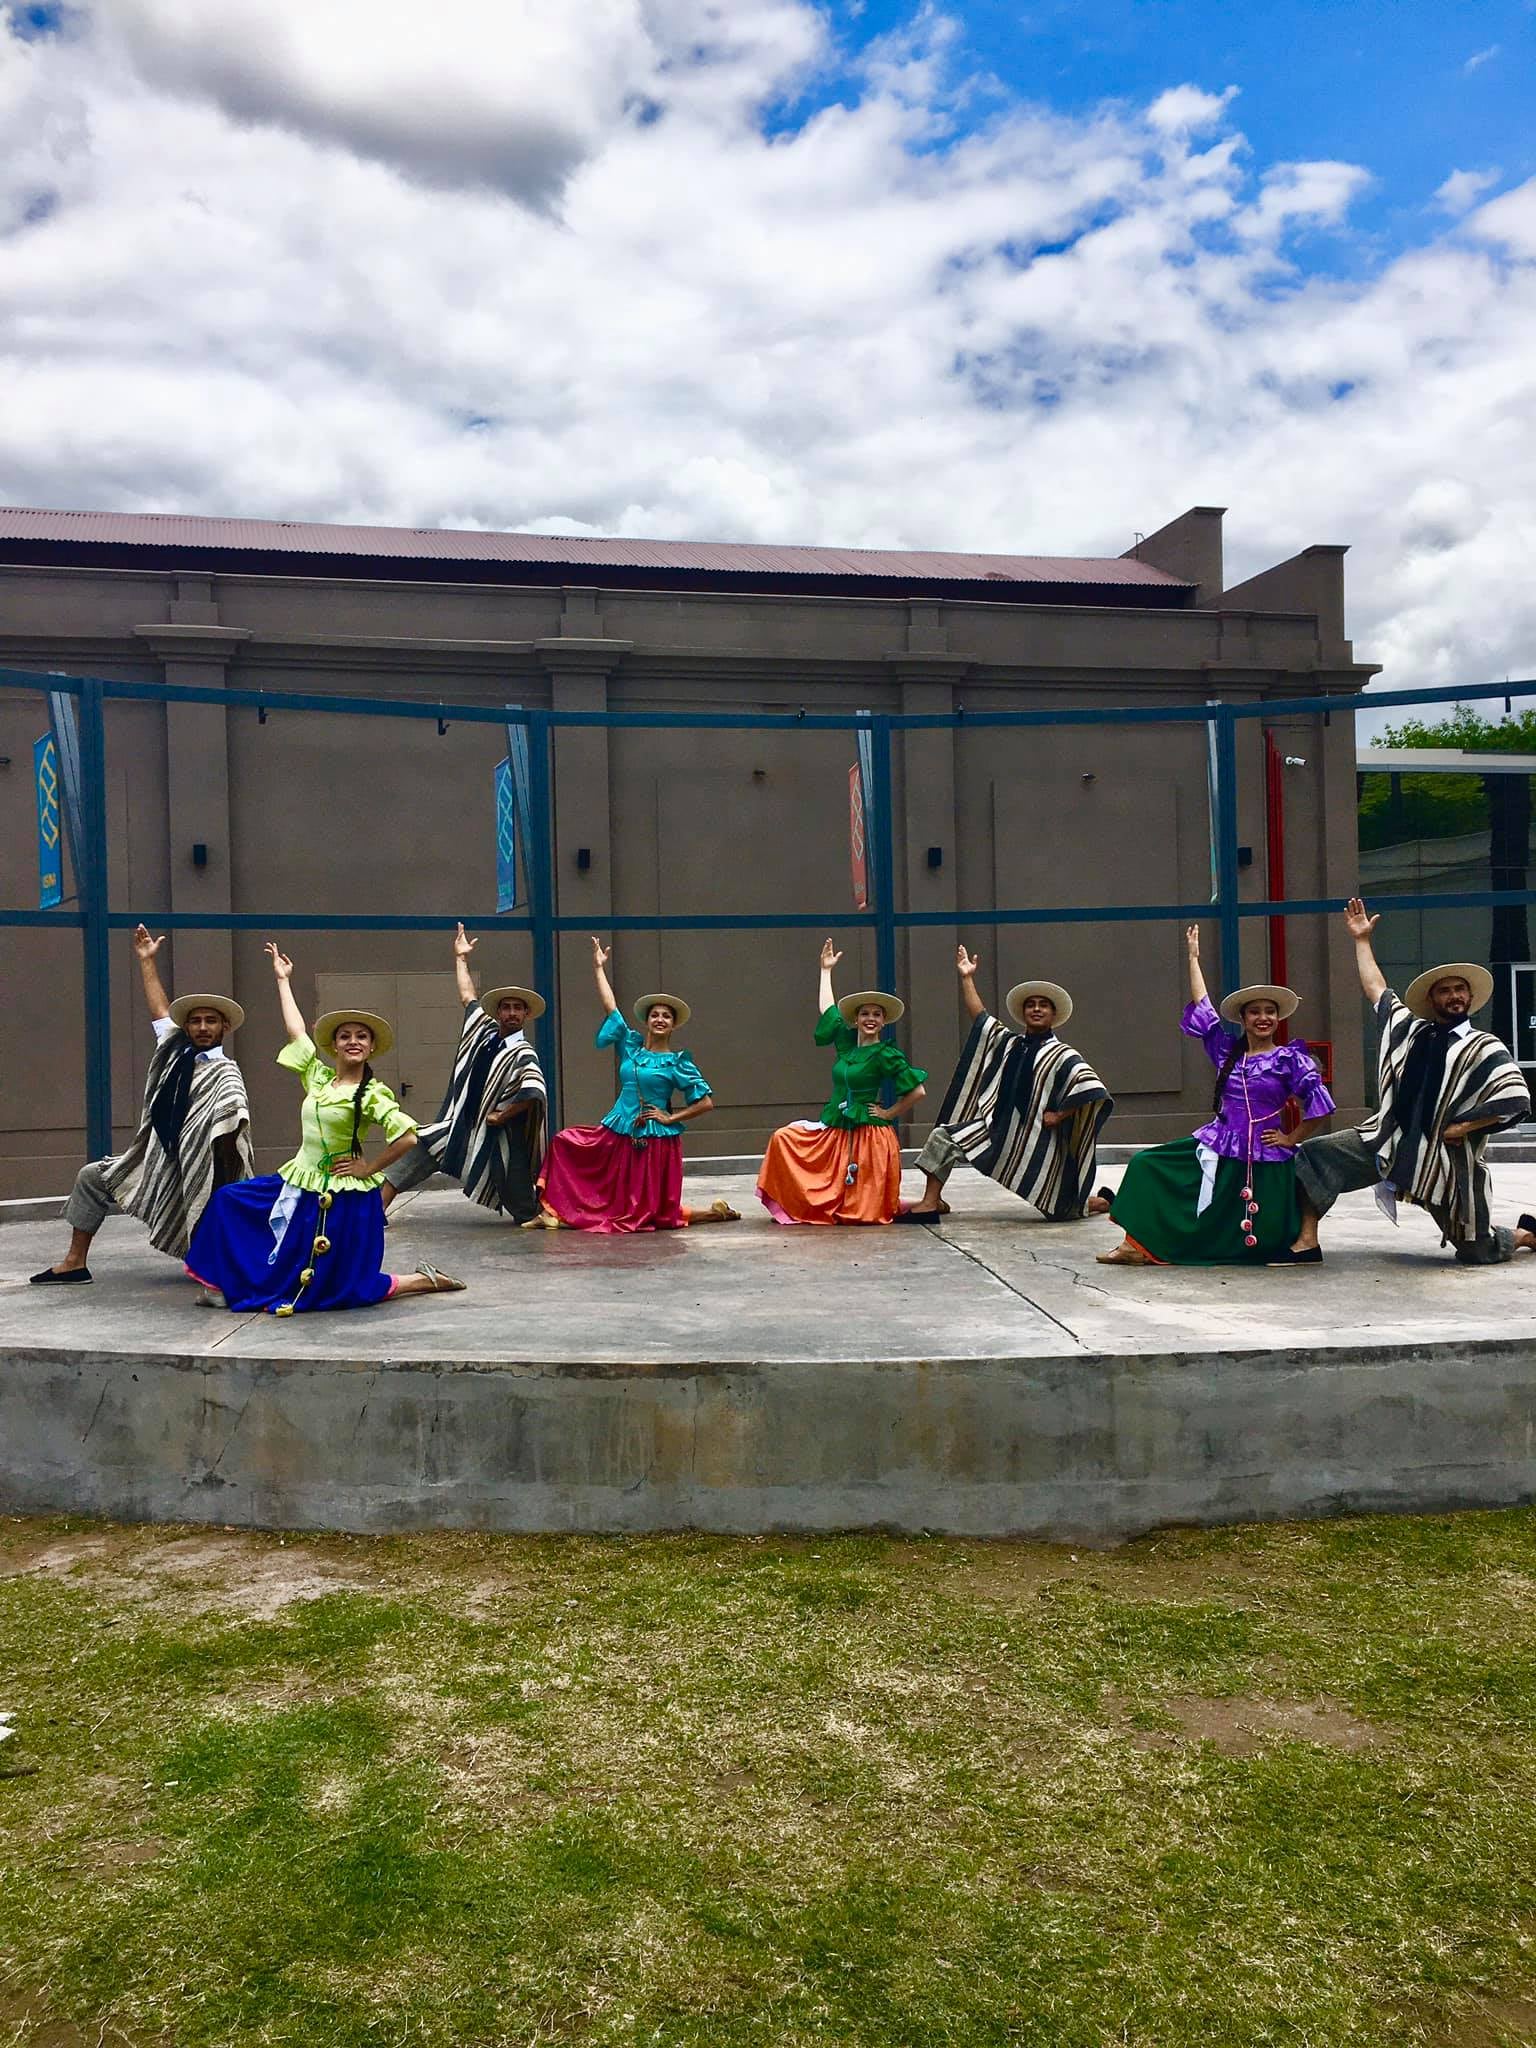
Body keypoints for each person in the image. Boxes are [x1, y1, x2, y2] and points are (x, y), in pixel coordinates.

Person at [184, 943, 465, 1311]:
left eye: (361, 1037)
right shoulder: (318, 1080)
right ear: (334, 1045)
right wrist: (283, 980)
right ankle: (222, 1283)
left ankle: (423, 1280)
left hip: (341, 1195)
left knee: (338, 1286)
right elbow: (296, 1032)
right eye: (345, 1036)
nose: (353, 1041)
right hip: (299, 1180)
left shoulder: (371, 1094)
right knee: (228, 1202)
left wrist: (368, 1168)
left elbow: (408, 1136)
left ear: (371, 1047)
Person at [1285, 900, 1532, 1265]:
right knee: (1316, 1155)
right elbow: (1377, 991)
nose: (1454, 996)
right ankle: (1307, 1241)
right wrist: (1361, 940)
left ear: (1469, 997)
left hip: (1444, 1158)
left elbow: (1516, 1100)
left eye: (1460, 989)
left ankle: (1524, 1234)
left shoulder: (1484, 1046)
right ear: (1432, 1000)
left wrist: (1465, 1126)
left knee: (1476, 1252)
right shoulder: (1410, 1031)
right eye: (1445, 991)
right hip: (1388, 1138)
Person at [1098, 923, 1335, 1266]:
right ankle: (1135, 1244)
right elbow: (1204, 1008)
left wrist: (1291, 1137)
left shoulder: (1289, 1059)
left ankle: (1164, 1248)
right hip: (1219, 1142)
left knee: (1253, 1230)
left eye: (1270, 1012)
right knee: (1145, 1164)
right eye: (1255, 1012)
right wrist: (1193, 958)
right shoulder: (1228, 1054)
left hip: (1264, 1154)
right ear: (1243, 1018)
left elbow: (1320, 1105)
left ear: (1278, 1018)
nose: (1263, 1018)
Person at [30, 924, 253, 1285]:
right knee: (91, 1177)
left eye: (210, 1021)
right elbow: (160, 1013)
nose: (201, 1027)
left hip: (204, 1172)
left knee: (213, 1215)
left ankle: (220, 1264)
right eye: (195, 1021)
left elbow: (233, 1125)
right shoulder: (174, 1052)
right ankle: (74, 1263)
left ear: (224, 1026)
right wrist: (147, 961)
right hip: (156, 1159)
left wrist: (207, 1167)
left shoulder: (226, 1073)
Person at [529, 937, 738, 1232]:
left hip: (654, 1139)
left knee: (654, 1213)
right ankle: (556, 1210)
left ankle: (718, 1214)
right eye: (655, 1014)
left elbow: (705, 1102)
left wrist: (671, 1117)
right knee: (565, 1141)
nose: (660, 1019)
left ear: (673, 1024)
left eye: (666, 1016)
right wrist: (598, 967)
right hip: (616, 1128)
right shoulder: (631, 1046)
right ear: (647, 1021)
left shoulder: (677, 1062)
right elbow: (609, 1007)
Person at [897, 946, 1112, 1224]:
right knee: (943, 1137)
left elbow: (1091, 1088)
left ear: (1052, 1013)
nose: (1036, 1009)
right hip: (994, 1128)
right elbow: (980, 1018)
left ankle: (1101, 1201)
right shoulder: (1008, 1043)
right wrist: (966, 978)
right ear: (1023, 1012)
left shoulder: (1062, 1054)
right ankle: (930, 1202)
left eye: (1043, 1005)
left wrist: (1059, 1115)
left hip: (1034, 1140)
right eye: (1031, 1005)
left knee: (1061, 1209)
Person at [379, 924, 547, 1224]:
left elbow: (534, 1092)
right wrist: (461, 959)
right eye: (506, 1007)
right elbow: (468, 996)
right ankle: (375, 1213)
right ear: (498, 1013)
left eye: (517, 1008)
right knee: (418, 1148)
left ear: (526, 1015)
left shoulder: (524, 1053)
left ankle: (544, 1211)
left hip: (496, 1136)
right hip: (458, 1125)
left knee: (522, 1205)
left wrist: (503, 1116)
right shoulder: (484, 1033)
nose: (511, 1013)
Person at [757, 939, 927, 1225]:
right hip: (837, 1125)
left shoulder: (886, 1054)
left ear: (883, 1022)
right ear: (857, 1019)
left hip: (867, 1133)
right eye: (864, 1014)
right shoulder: (847, 1045)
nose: (870, 1019)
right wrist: (826, 971)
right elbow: (828, 1010)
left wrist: (887, 1113)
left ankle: (917, 1204)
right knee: (784, 1138)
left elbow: (917, 1091)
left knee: (862, 1210)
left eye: (876, 1014)